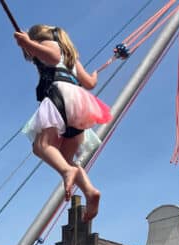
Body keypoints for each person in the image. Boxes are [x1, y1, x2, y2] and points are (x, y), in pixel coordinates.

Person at [14, 24, 111, 221]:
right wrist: (93, 77)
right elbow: (89, 83)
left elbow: (52, 57)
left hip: (60, 96)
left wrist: (28, 43)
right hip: (79, 105)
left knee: (42, 146)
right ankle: (90, 191)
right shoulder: (72, 58)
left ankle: (67, 172)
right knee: (65, 158)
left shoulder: (50, 45)